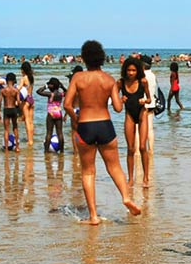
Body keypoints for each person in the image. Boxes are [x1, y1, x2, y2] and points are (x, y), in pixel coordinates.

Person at [64, 40, 141, 223]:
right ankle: (126, 197)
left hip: (86, 125)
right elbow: (117, 108)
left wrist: (76, 121)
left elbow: (67, 105)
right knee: (114, 166)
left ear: (84, 58)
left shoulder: (78, 78)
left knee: (88, 172)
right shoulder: (108, 79)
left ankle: (93, 216)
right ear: (101, 57)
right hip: (105, 125)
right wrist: (121, 99)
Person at [119, 56, 152, 188]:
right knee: (131, 148)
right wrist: (121, 99)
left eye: (133, 70)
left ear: (137, 70)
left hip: (142, 113)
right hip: (129, 115)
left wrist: (145, 101)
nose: (131, 73)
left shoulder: (143, 82)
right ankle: (130, 179)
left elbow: (150, 99)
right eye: (128, 70)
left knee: (143, 147)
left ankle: (146, 177)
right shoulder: (121, 83)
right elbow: (113, 99)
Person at [37, 77, 65, 153]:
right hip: (59, 113)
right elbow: (68, 92)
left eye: (50, 84)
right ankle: (62, 151)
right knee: (60, 133)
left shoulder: (50, 94)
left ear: (51, 86)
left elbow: (38, 91)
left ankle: (46, 151)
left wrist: (45, 86)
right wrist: (62, 87)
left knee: (49, 133)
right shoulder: (61, 94)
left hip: (51, 113)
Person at [0, 73, 21, 152]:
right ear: (14, 80)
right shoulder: (16, 90)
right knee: (15, 128)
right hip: (13, 109)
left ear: (6, 80)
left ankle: (7, 149)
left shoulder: (3, 90)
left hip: (6, 109)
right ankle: (17, 147)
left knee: (6, 130)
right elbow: (18, 102)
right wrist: (20, 112)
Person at [141, 55, 158, 154]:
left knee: (138, 128)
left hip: (142, 103)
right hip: (151, 103)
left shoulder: (141, 76)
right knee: (150, 128)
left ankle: (138, 152)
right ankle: (151, 150)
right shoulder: (153, 75)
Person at [19, 61, 36, 146]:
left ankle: (30, 141)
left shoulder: (23, 78)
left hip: (26, 101)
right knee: (31, 121)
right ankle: (31, 139)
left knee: (27, 121)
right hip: (31, 99)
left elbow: (19, 88)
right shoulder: (31, 77)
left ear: (23, 70)